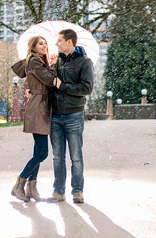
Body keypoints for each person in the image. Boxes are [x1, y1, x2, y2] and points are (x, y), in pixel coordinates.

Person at [48, 29, 94, 204]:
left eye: (59, 41)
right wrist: (52, 67)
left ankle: (77, 191)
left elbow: (86, 88)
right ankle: (58, 191)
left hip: (74, 114)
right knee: (57, 157)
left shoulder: (85, 62)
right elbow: (49, 84)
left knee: (76, 156)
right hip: (55, 115)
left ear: (69, 42)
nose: (56, 44)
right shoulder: (56, 61)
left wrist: (63, 86)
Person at [11, 36, 56, 202]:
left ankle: (31, 188)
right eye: (41, 44)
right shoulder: (35, 61)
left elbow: (37, 81)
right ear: (34, 47)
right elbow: (50, 81)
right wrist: (53, 65)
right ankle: (19, 184)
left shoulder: (37, 62)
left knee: (38, 151)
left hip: (41, 106)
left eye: (46, 43)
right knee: (42, 153)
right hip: (38, 107)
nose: (45, 46)